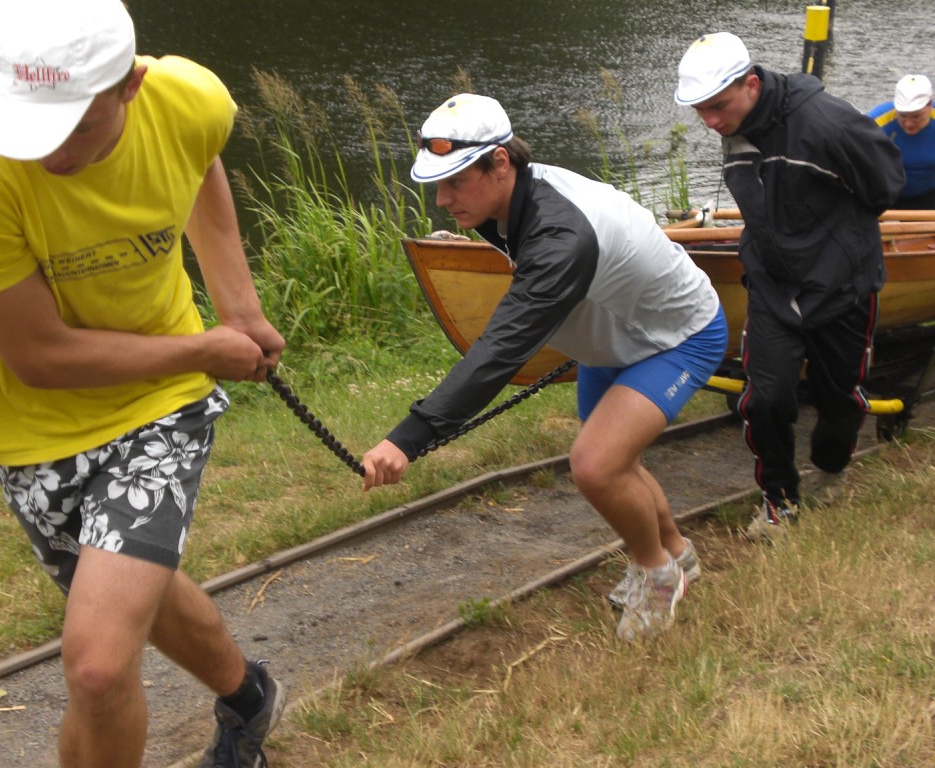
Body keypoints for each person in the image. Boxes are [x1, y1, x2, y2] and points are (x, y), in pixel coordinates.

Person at [0, 2, 286, 766]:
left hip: (159, 403)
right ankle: (249, 695)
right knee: (131, 587)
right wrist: (204, 349)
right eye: (26, 128)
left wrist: (238, 306)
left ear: (130, 86)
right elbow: (42, 356)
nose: (48, 153)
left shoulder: (186, 98)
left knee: (97, 663)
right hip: (29, 423)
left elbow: (197, 156)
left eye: (75, 127)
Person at [361, 93, 727, 641]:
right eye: (438, 183)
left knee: (597, 465)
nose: (442, 199)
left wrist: (408, 439)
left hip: (676, 337)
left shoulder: (561, 237)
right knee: (616, 460)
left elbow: (500, 352)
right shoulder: (516, 194)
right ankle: (676, 553)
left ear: (500, 162)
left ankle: (656, 573)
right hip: (614, 337)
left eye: (455, 181)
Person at [674, 33, 905, 540]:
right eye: (700, 111)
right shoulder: (735, 124)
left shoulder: (825, 122)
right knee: (764, 400)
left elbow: (885, 182)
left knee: (839, 400)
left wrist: (832, 238)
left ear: (751, 85)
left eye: (718, 106)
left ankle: (831, 467)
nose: (710, 121)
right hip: (773, 287)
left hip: (842, 285)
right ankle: (778, 502)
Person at [867, 74, 935, 209]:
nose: (908, 123)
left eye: (916, 116)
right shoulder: (876, 122)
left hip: (929, 192)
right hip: (884, 192)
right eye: (902, 116)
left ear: (929, 105)